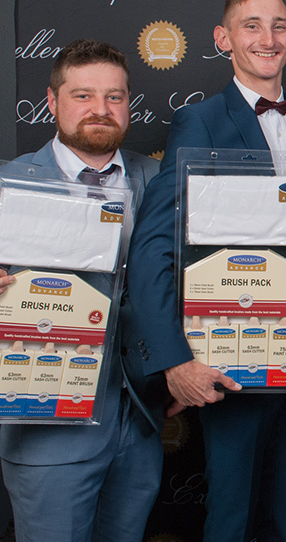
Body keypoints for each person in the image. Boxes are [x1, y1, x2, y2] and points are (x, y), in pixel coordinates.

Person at [125, 0, 286, 542]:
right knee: (231, 517)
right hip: (232, 357)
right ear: (223, 39)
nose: (268, 38)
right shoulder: (200, 120)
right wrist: (173, 360)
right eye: (251, 25)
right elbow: (154, 245)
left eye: (279, 26)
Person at [0, 39, 162, 541]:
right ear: (52, 101)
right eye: (83, 95)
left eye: (115, 97)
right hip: (46, 428)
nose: (101, 109)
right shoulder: (8, 185)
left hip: (139, 421)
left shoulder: (158, 179)